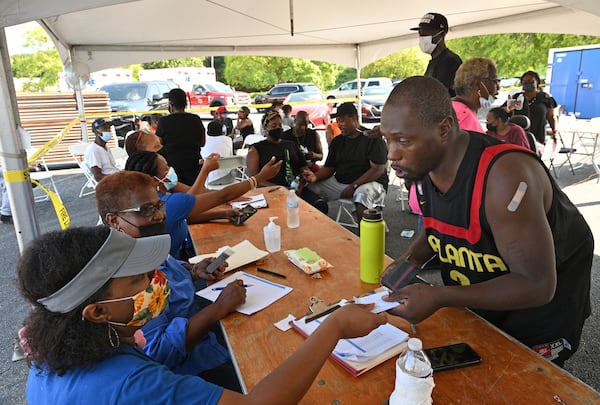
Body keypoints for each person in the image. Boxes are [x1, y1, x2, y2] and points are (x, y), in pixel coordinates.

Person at [19, 226, 386, 404]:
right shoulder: (133, 384)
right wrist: (334, 325)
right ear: (97, 311)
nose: (155, 281)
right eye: (139, 279)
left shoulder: (53, 357)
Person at [379, 76, 593, 366]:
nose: (392, 154)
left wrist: (439, 296)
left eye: (403, 140)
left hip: (541, 315)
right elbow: (437, 227)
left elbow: (537, 285)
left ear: (444, 129)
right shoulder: (427, 164)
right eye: (387, 140)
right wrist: (408, 263)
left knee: (522, 384)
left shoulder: (505, 178)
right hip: (485, 301)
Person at [96, 171, 245, 384]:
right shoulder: (125, 279)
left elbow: (168, 270)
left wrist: (193, 270)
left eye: (159, 205)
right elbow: (159, 351)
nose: (159, 215)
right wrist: (218, 309)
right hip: (193, 366)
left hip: (207, 328)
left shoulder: (144, 242)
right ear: (114, 220)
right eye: (147, 210)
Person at [125, 151, 281, 259]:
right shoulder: (169, 203)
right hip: (177, 267)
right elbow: (223, 195)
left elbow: (184, 217)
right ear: (153, 180)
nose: (170, 170)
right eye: (166, 168)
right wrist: (259, 178)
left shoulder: (156, 199)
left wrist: (221, 214)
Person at [304, 102, 388, 222]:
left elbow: (377, 170)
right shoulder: (337, 141)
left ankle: (365, 238)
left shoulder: (372, 138)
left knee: (361, 196)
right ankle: (317, 227)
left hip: (370, 183)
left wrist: (354, 186)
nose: (339, 125)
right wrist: (315, 177)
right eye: (337, 121)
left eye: (342, 121)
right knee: (310, 189)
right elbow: (330, 167)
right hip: (341, 183)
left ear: (354, 118)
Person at [246, 111, 328, 213]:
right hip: (271, 191)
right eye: (274, 125)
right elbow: (254, 179)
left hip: (296, 190)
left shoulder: (291, 145)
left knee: (320, 206)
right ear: (266, 128)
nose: (278, 128)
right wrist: (282, 189)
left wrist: (302, 182)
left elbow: (303, 168)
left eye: (280, 125)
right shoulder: (256, 149)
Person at [155, 88, 205, 186]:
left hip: (172, 168)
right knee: (197, 195)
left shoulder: (164, 121)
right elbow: (203, 142)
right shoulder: (195, 119)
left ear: (170, 103)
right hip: (194, 165)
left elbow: (158, 144)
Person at [411, 12, 462, 96]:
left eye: (425, 34)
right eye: (420, 34)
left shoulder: (449, 61)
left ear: (441, 34)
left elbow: (437, 96)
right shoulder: (434, 62)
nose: (422, 38)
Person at [507, 70, 558, 144]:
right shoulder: (516, 97)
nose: (527, 83)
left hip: (538, 137)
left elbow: (551, 117)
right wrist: (510, 108)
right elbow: (504, 112)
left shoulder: (546, 97)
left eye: (531, 81)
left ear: (537, 82)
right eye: (525, 82)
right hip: (517, 137)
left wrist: (554, 132)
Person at [452, 57, 499, 133]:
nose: (498, 86)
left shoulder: (452, 108)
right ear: (477, 85)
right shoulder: (465, 118)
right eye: (494, 81)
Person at [84, 118, 120, 182]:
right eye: (105, 128)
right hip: (110, 183)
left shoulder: (106, 148)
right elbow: (98, 177)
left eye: (109, 128)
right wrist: (119, 178)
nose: (108, 131)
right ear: (96, 132)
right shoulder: (93, 150)